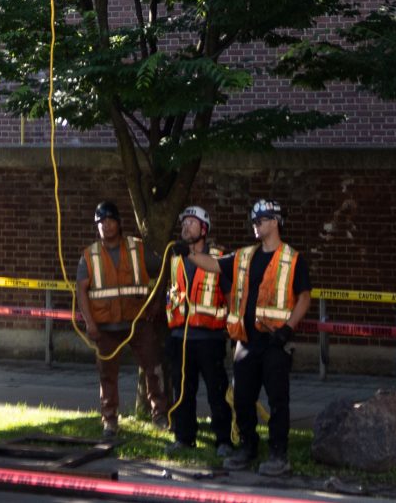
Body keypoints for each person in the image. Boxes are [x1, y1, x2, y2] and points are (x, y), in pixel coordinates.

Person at [224, 198, 311, 479]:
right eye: (253, 221)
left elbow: (304, 298)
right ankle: (248, 447)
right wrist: (187, 251)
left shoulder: (292, 258)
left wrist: (288, 328)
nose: (255, 226)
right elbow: (214, 265)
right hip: (247, 342)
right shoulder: (246, 256)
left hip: (275, 342)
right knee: (242, 398)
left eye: (259, 221)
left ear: (274, 222)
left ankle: (278, 454)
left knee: (277, 401)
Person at [72, 199, 165, 442]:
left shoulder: (137, 248)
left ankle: (160, 415)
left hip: (138, 322)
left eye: (110, 220)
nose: (106, 226)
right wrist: (90, 323)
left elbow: (164, 268)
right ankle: (110, 421)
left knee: (153, 368)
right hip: (105, 327)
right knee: (107, 375)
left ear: (118, 223)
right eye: (101, 222)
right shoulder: (89, 256)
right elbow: (81, 290)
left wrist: (157, 301)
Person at [160, 205, 230, 453]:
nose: (185, 227)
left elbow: (230, 296)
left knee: (217, 391)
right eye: (183, 223)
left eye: (191, 222)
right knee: (182, 392)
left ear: (204, 228)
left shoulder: (220, 257)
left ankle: (223, 440)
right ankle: (184, 437)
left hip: (210, 338)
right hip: (181, 337)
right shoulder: (175, 259)